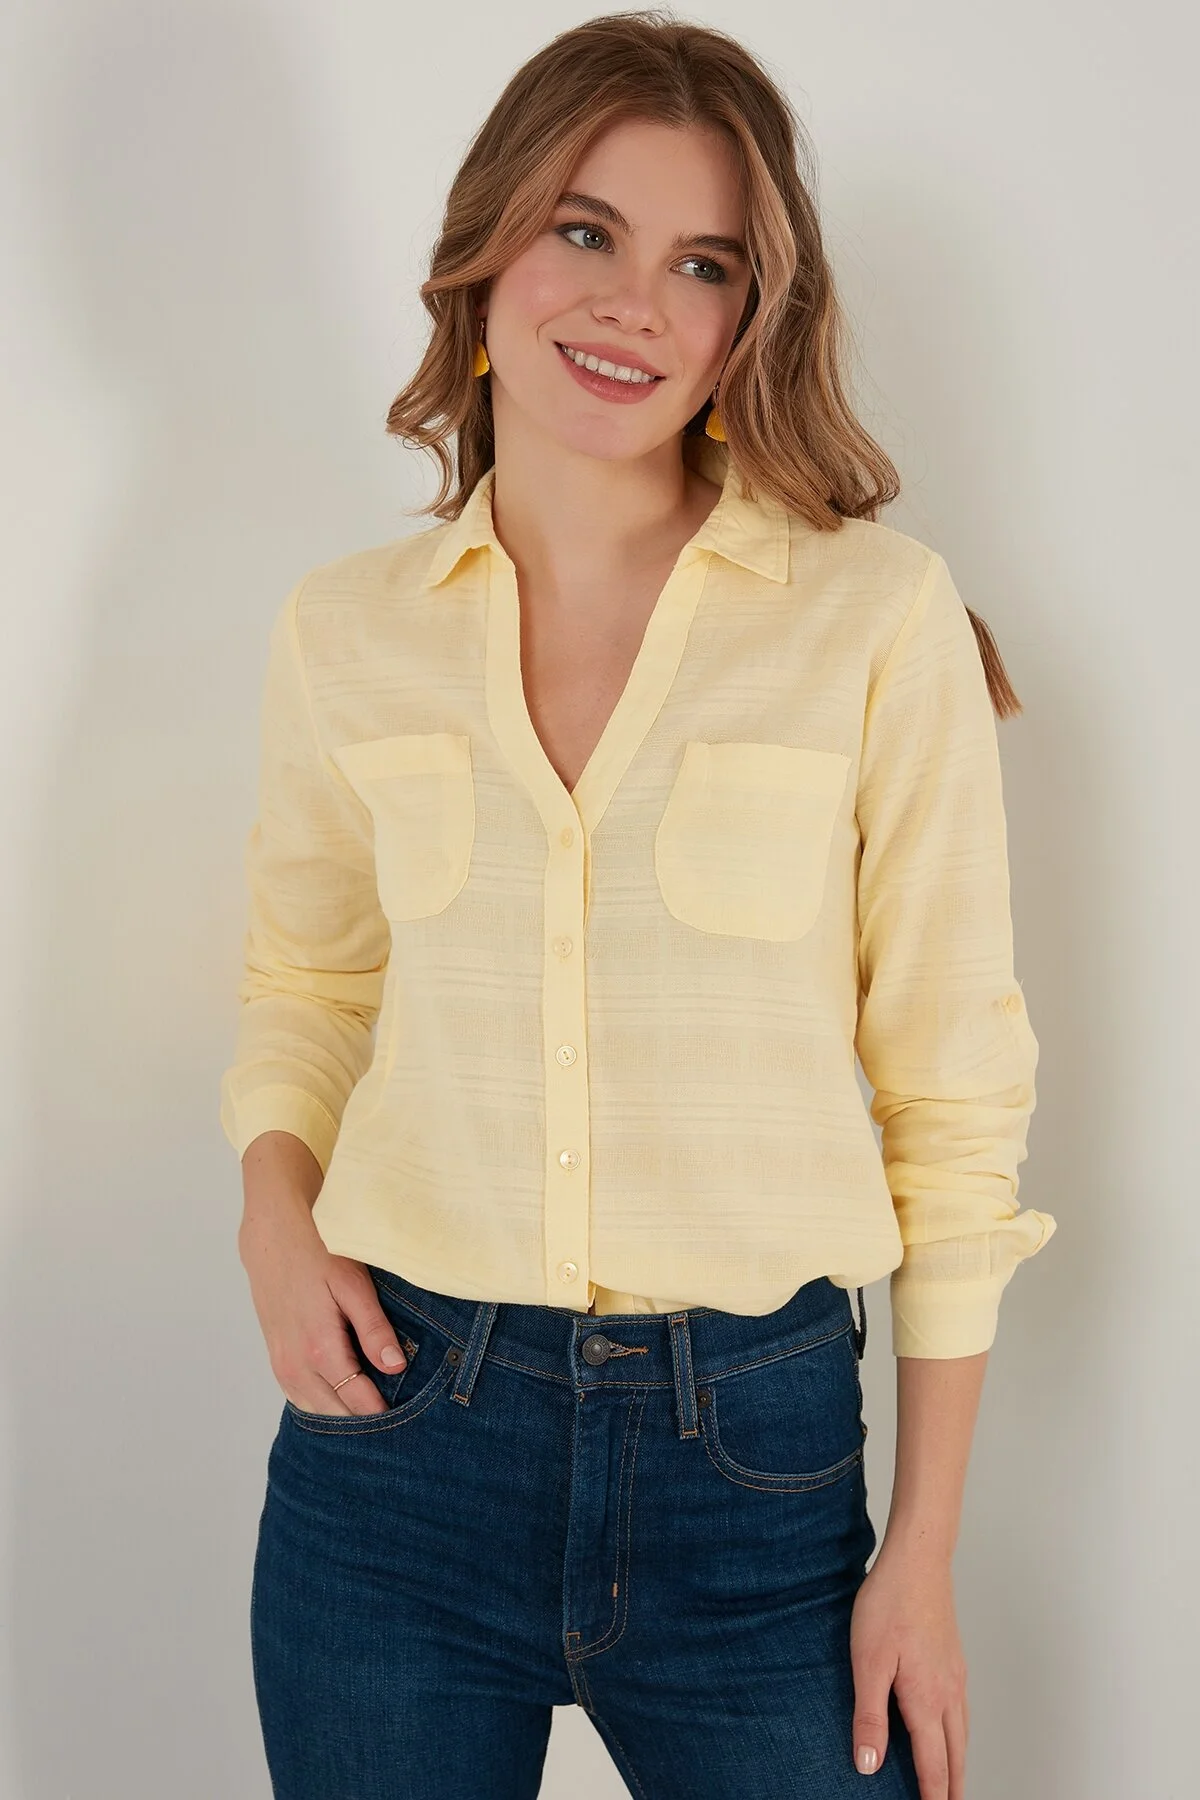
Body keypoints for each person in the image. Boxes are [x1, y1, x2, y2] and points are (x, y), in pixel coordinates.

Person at [219, 13, 1057, 1799]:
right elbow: (310, 980)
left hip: (754, 1478)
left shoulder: (875, 619)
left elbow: (954, 1105)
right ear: (487, 249)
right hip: (395, 1454)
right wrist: (273, 1216)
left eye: (704, 265)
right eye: (586, 231)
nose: (634, 307)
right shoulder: (345, 630)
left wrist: (923, 1552)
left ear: (753, 320)